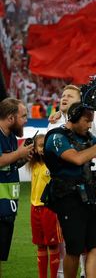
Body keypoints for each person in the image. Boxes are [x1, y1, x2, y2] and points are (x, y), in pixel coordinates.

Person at [43, 102, 96, 278]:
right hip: (68, 197)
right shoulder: (56, 136)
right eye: (87, 121)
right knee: (75, 248)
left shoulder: (86, 136)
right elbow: (77, 159)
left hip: (90, 194)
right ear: (73, 118)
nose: (89, 125)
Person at [0, 98, 31, 274]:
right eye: (23, 116)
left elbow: (7, 165)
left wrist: (22, 159)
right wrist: (19, 153)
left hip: (6, 208)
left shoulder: (10, 136)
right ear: (11, 118)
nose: (26, 120)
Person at [29, 134, 62, 278]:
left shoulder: (54, 164)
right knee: (40, 245)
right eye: (41, 145)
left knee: (53, 245)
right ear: (35, 148)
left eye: (45, 145)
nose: (43, 148)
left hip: (49, 209)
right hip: (34, 208)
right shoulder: (34, 164)